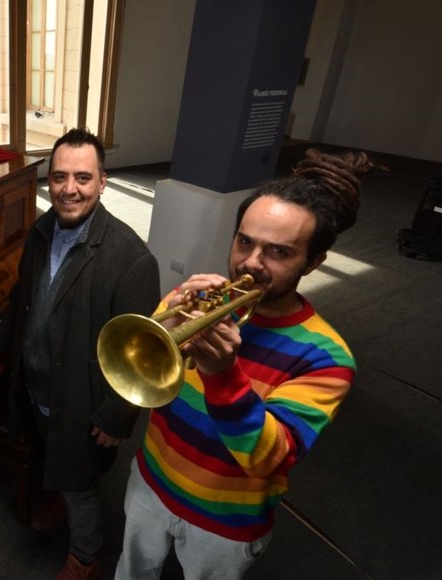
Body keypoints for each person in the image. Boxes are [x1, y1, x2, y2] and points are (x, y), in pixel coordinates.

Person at [115, 148, 382, 579]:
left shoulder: (327, 358)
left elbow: (269, 457)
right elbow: (144, 380)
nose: (251, 263)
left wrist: (223, 375)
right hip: (151, 481)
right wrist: (168, 322)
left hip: (226, 523)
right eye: (244, 241)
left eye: (278, 252)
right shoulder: (194, 301)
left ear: (313, 262)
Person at [0, 128, 161, 580]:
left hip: (84, 404)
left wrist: (117, 417)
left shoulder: (132, 259)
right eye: (59, 177)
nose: (69, 189)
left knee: (82, 488)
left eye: (83, 177)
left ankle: (85, 555)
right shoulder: (40, 232)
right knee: (50, 457)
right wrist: (2, 342)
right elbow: (25, 295)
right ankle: (59, 494)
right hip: (40, 389)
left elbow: (144, 353)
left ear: (103, 182)